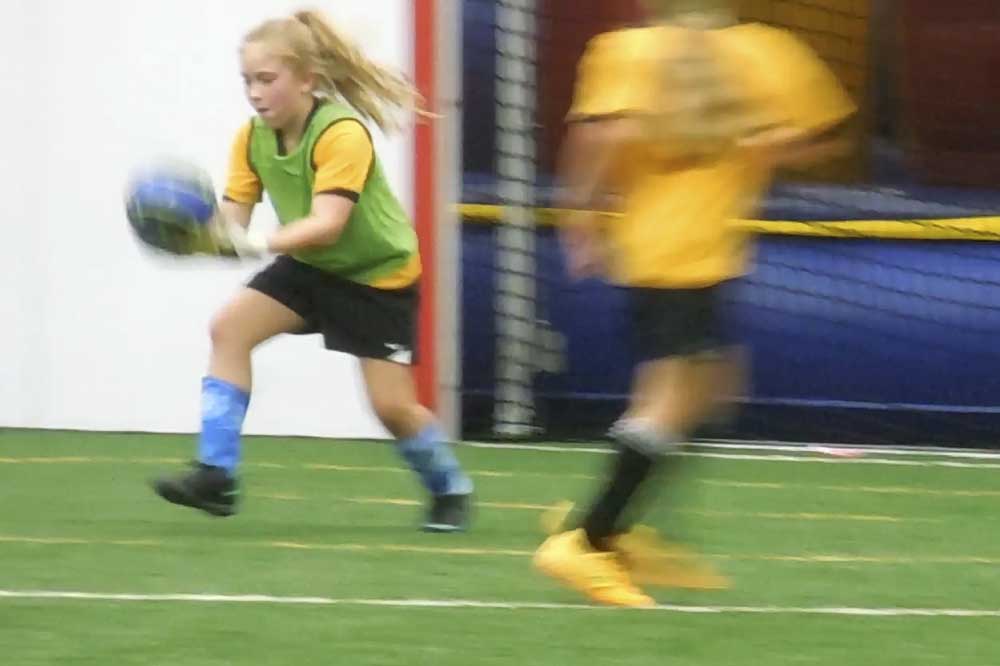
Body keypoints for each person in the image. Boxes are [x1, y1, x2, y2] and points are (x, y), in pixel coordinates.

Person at [534, 0, 856, 605]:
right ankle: (588, 539)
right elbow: (826, 135)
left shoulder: (626, 49)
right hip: (692, 252)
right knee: (673, 399)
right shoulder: (763, 50)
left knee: (707, 384)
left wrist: (580, 215)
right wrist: (767, 146)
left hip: (661, 246)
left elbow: (600, 133)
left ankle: (615, 530)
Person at [151, 9, 473, 532]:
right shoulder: (252, 138)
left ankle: (449, 487)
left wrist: (251, 243)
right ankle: (216, 476)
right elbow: (233, 222)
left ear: (307, 79)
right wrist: (196, 238)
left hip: (376, 278)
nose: (255, 93)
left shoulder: (342, 133)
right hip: (309, 267)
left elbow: (328, 223)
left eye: (266, 79)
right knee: (228, 329)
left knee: (391, 408)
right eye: (247, 81)